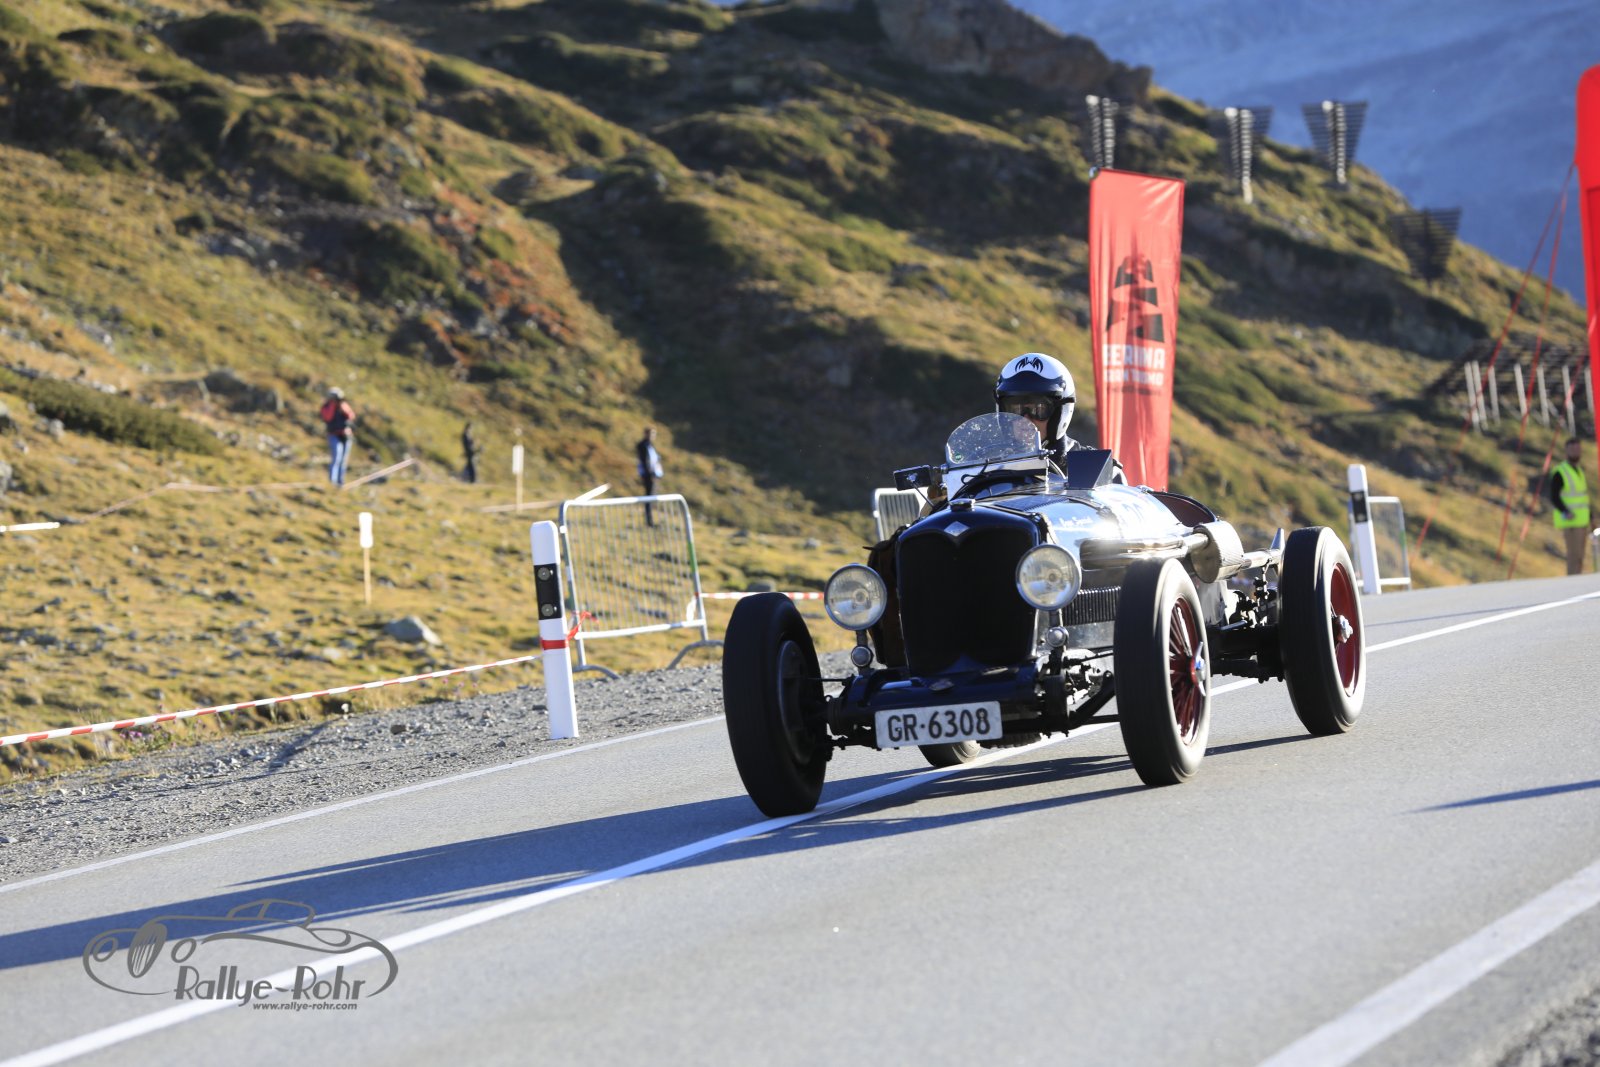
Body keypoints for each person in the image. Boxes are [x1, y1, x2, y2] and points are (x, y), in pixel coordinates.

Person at [1550, 436, 1591, 575]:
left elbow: (1583, 497)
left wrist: (1590, 516)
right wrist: (1565, 512)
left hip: (1582, 521)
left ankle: (1577, 580)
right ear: (1566, 451)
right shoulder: (1561, 472)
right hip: (1571, 522)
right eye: (1572, 449)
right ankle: (1573, 582)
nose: (1575, 452)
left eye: (1578, 449)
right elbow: (1554, 496)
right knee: (1574, 557)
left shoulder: (1579, 471)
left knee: (1580, 558)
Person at [319, 387, 356, 487]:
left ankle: (340, 482)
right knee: (336, 458)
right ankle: (332, 482)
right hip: (334, 435)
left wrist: (343, 408)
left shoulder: (343, 405)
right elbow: (327, 418)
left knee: (343, 460)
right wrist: (332, 406)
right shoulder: (326, 407)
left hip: (346, 435)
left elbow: (351, 416)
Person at [636, 426, 664, 525]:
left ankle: (650, 519)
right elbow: (645, 461)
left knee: (651, 496)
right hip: (648, 475)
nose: (652, 436)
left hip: (653, 474)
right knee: (649, 496)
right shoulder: (642, 445)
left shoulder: (651, 445)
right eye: (651, 434)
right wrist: (649, 473)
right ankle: (649, 520)